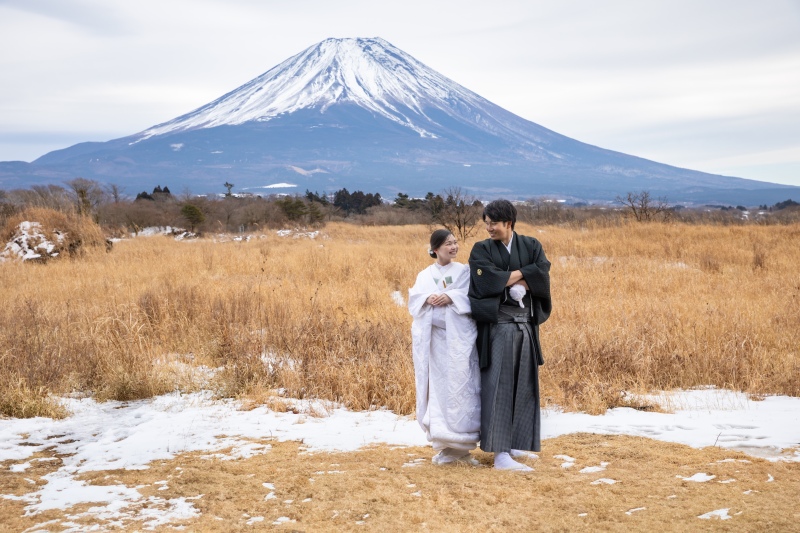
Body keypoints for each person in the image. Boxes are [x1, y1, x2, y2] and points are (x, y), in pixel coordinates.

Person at [468, 200, 552, 471]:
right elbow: (486, 282)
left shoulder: (531, 245)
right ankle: (500, 454)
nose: (488, 228)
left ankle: (515, 443)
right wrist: (524, 275)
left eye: (493, 223)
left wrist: (511, 278)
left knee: (524, 387)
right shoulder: (481, 249)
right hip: (499, 327)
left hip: (525, 326)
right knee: (500, 388)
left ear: (508, 223)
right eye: (486, 223)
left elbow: (542, 274)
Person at [408, 229, 481, 465]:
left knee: (460, 386)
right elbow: (414, 300)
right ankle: (445, 445)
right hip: (435, 344)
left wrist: (452, 297)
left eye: (455, 242)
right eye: (448, 244)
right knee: (437, 390)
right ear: (435, 249)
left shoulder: (464, 271)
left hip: (458, 341)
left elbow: (473, 296)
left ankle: (461, 447)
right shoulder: (424, 275)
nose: (453, 247)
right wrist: (426, 298)